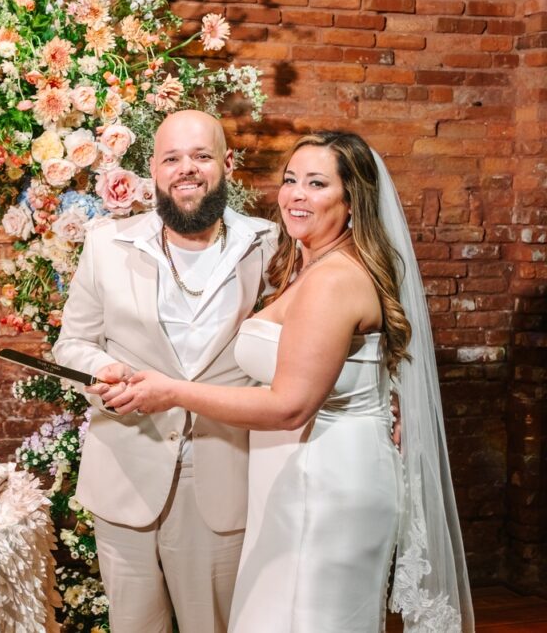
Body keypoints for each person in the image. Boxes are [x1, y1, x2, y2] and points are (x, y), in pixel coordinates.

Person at [98, 131, 474, 632]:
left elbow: (290, 406)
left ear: (353, 200)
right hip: (302, 469)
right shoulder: (304, 262)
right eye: (291, 180)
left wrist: (170, 391)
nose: (296, 195)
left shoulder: (334, 280)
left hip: (323, 481)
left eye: (317, 184)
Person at [53, 109, 277, 633]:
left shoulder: (269, 244)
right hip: (125, 475)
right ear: (152, 169)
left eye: (201, 156)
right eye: (172, 158)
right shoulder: (107, 243)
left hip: (224, 478)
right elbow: (73, 344)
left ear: (226, 164)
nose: (187, 169)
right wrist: (105, 374)